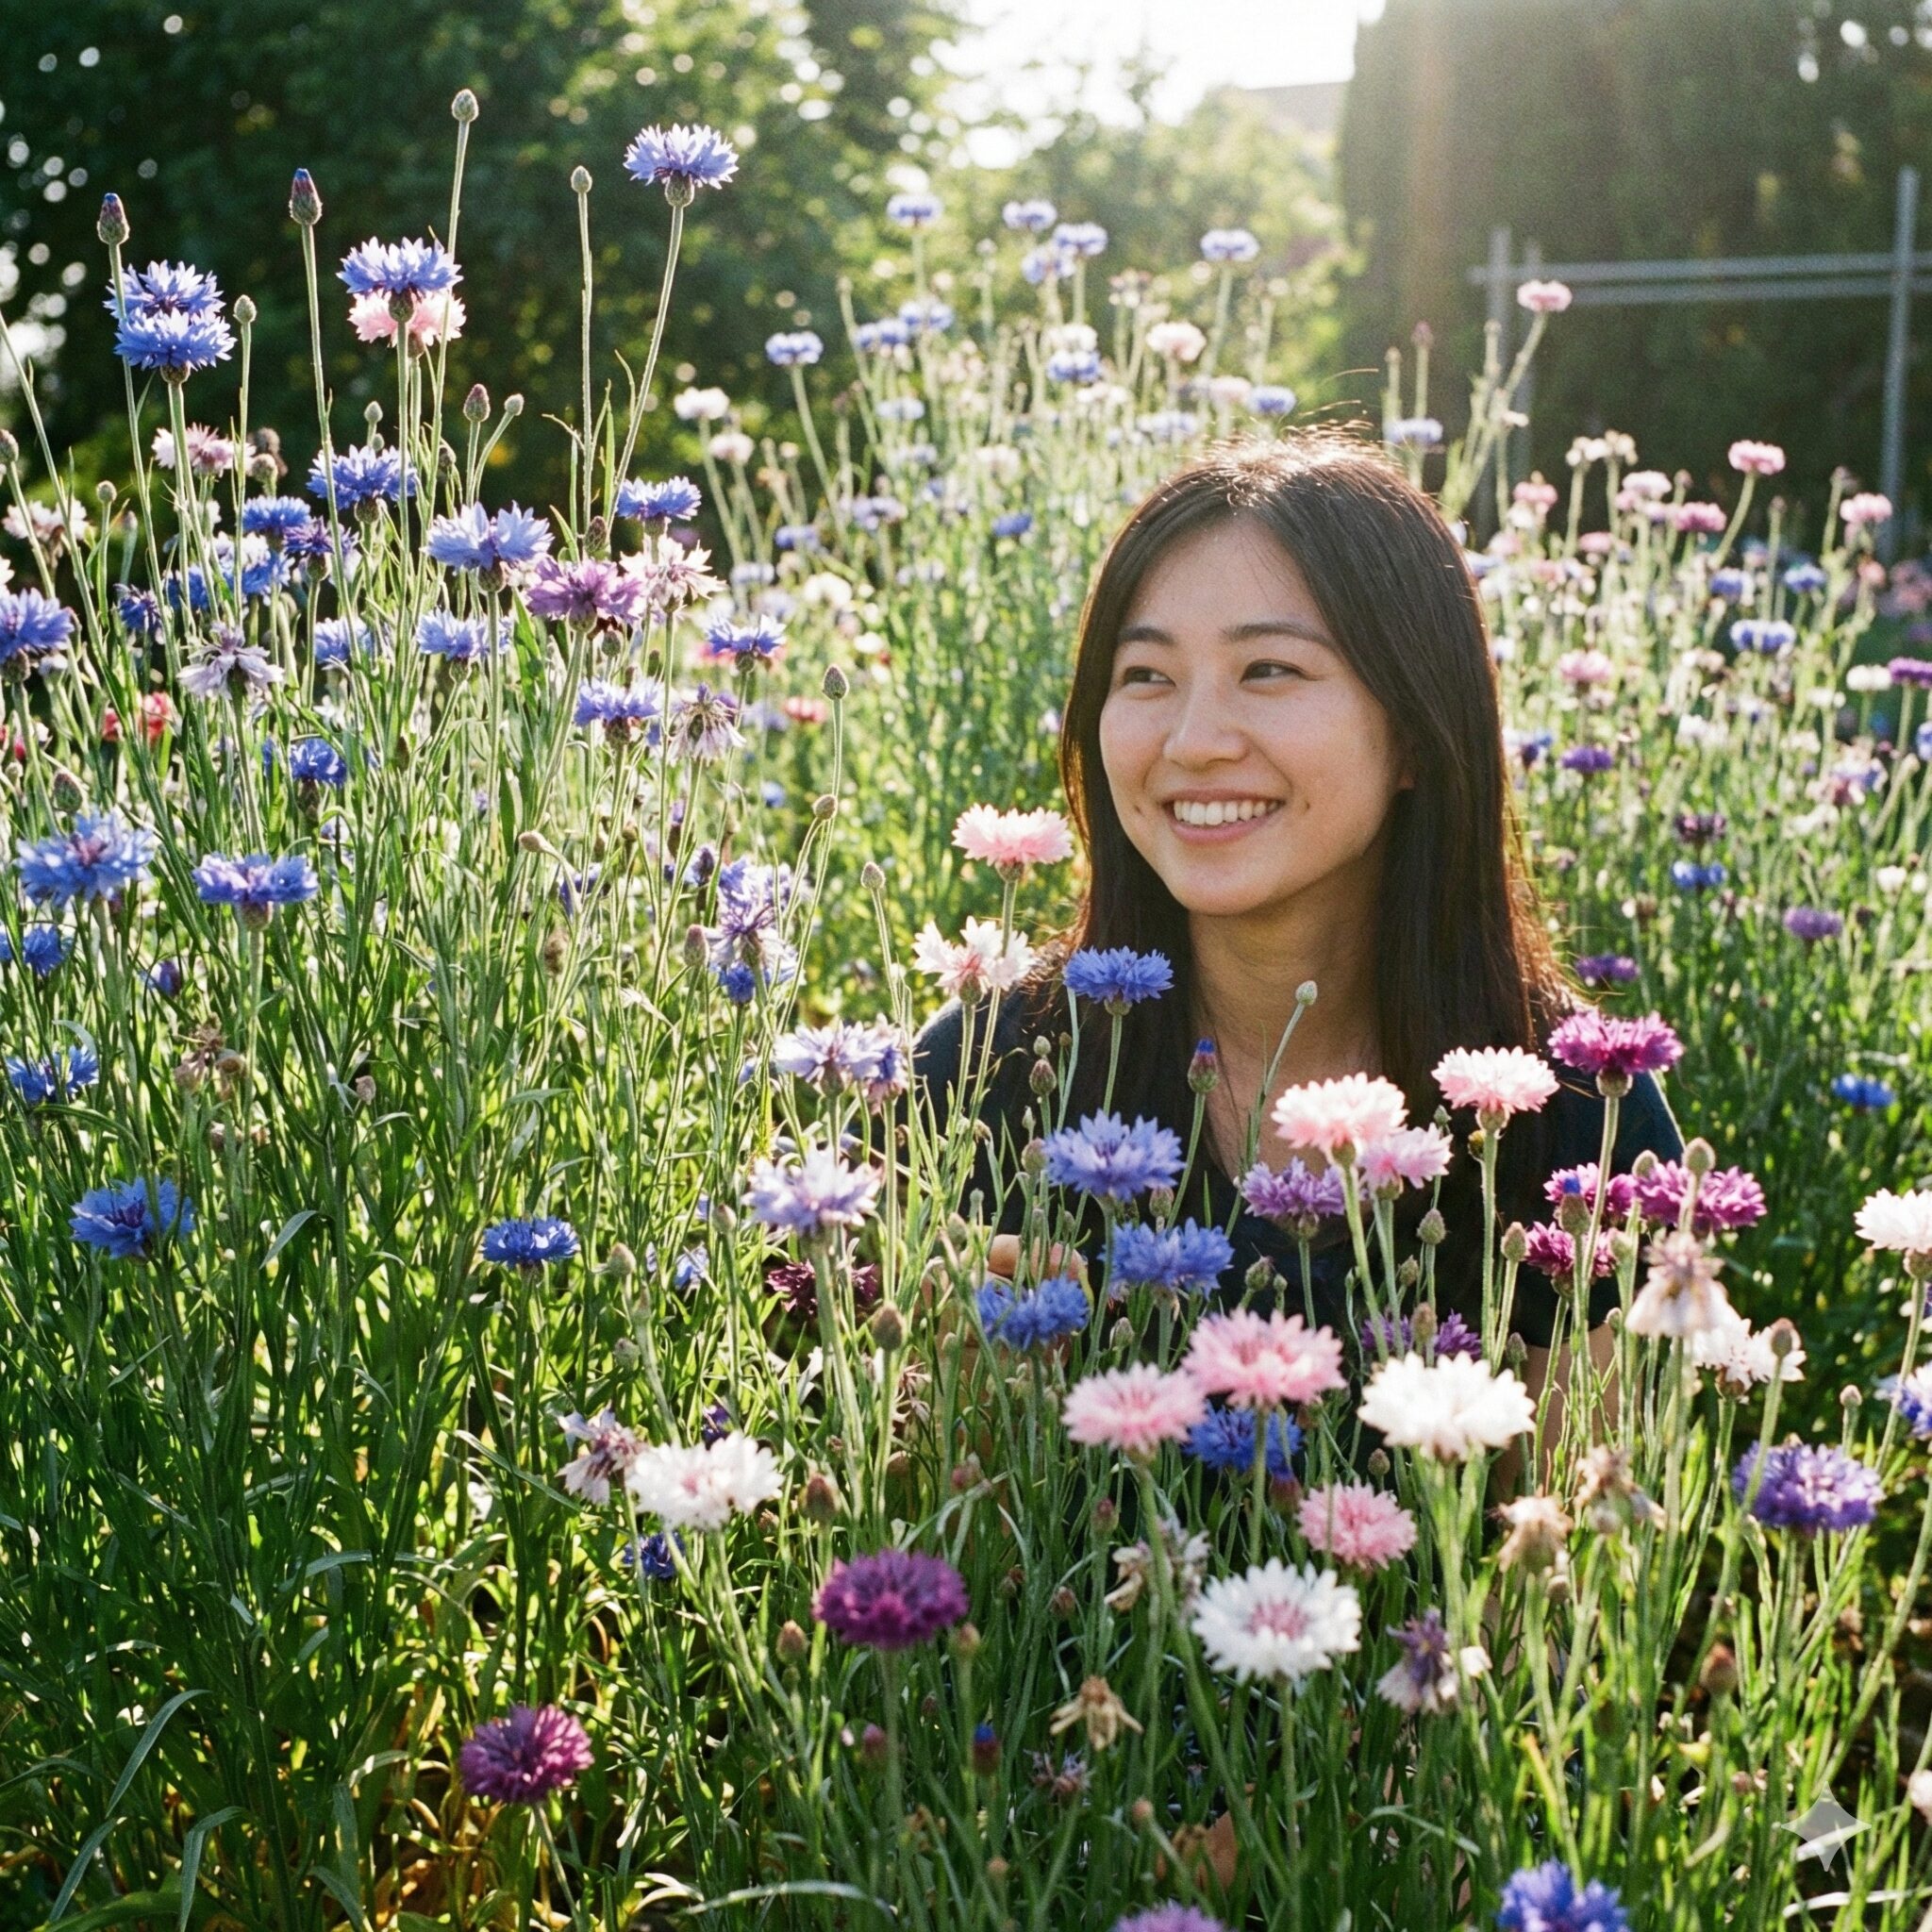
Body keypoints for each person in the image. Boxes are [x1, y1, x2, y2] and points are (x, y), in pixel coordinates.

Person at [912, 433, 1681, 1411]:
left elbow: (1592, 1548)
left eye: (1268, 669)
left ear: (1413, 729)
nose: (1191, 742)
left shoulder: (1576, 1111)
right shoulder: (984, 1076)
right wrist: (954, 1402)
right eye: (1144, 676)